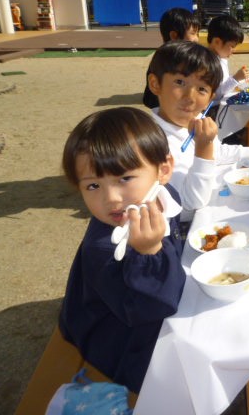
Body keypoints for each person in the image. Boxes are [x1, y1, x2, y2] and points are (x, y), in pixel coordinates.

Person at [59, 107, 186, 393]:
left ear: (164, 170)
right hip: (118, 338)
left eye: (124, 178)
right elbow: (148, 310)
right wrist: (149, 254)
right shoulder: (103, 249)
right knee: (176, 383)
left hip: (154, 304)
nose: (112, 199)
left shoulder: (165, 197)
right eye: (93, 185)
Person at [147, 40, 249, 220]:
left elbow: (217, 152)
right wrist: (203, 149)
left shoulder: (196, 120)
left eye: (201, 89)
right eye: (180, 82)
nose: (190, 97)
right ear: (155, 84)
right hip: (184, 227)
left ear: (210, 98)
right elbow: (191, 203)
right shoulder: (150, 140)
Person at [143, 7, 201, 108]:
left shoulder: (183, 57)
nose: (197, 39)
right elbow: (151, 99)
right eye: (193, 33)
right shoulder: (166, 59)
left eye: (197, 34)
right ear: (174, 36)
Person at [206, 14, 249, 106]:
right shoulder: (207, 63)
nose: (234, 50)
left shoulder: (220, 59)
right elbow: (217, 94)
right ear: (217, 42)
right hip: (212, 108)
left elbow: (223, 83)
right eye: (232, 46)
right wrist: (235, 79)